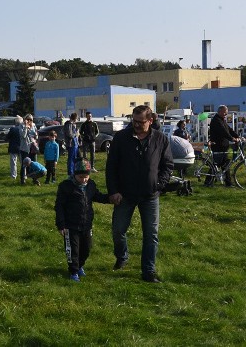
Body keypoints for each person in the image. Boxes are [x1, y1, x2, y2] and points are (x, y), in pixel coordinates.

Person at [106, 105, 173, 283]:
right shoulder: (121, 138)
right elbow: (111, 166)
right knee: (118, 230)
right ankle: (122, 256)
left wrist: (159, 185)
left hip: (150, 195)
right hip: (125, 194)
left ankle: (148, 271)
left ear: (150, 121)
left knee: (151, 234)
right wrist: (113, 191)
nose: (136, 125)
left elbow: (167, 165)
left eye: (140, 122)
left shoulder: (160, 139)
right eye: (133, 121)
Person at [55, 159, 110, 282]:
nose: (84, 180)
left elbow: (98, 196)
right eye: (81, 177)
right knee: (73, 250)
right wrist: (61, 224)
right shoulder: (66, 187)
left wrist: (110, 199)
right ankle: (73, 271)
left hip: (86, 224)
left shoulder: (91, 185)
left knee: (86, 249)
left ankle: (80, 266)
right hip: (70, 225)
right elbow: (59, 206)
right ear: (74, 174)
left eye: (86, 177)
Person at [207, 105, 243, 187]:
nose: (225, 114)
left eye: (226, 113)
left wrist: (238, 136)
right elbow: (224, 132)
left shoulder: (222, 120)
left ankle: (228, 183)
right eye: (224, 112)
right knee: (216, 165)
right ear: (219, 111)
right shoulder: (216, 120)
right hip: (218, 145)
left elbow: (229, 130)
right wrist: (232, 139)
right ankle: (208, 182)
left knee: (225, 165)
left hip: (223, 146)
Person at [19, 115, 36, 184]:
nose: (29, 121)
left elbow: (36, 135)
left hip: (32, 147)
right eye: (27, 119)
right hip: (24, 148)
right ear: (24, 119)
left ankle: (34, 179)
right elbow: (23, 136)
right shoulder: (21, 126)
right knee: (24, 164)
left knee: (34, 163)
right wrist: (26, 127)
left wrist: (31, 128)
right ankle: (23, 179)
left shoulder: (33, 126)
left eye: (31, 120)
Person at [63, 113, 80, 177]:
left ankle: (73, 171)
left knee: (74, 158)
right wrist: (76, 133)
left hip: (75, 143)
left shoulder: (73, 124)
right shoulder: (68, 124)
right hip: (71, 144)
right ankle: (70, 172)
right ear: (75, 118)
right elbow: (69, 134)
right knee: (71, 158)